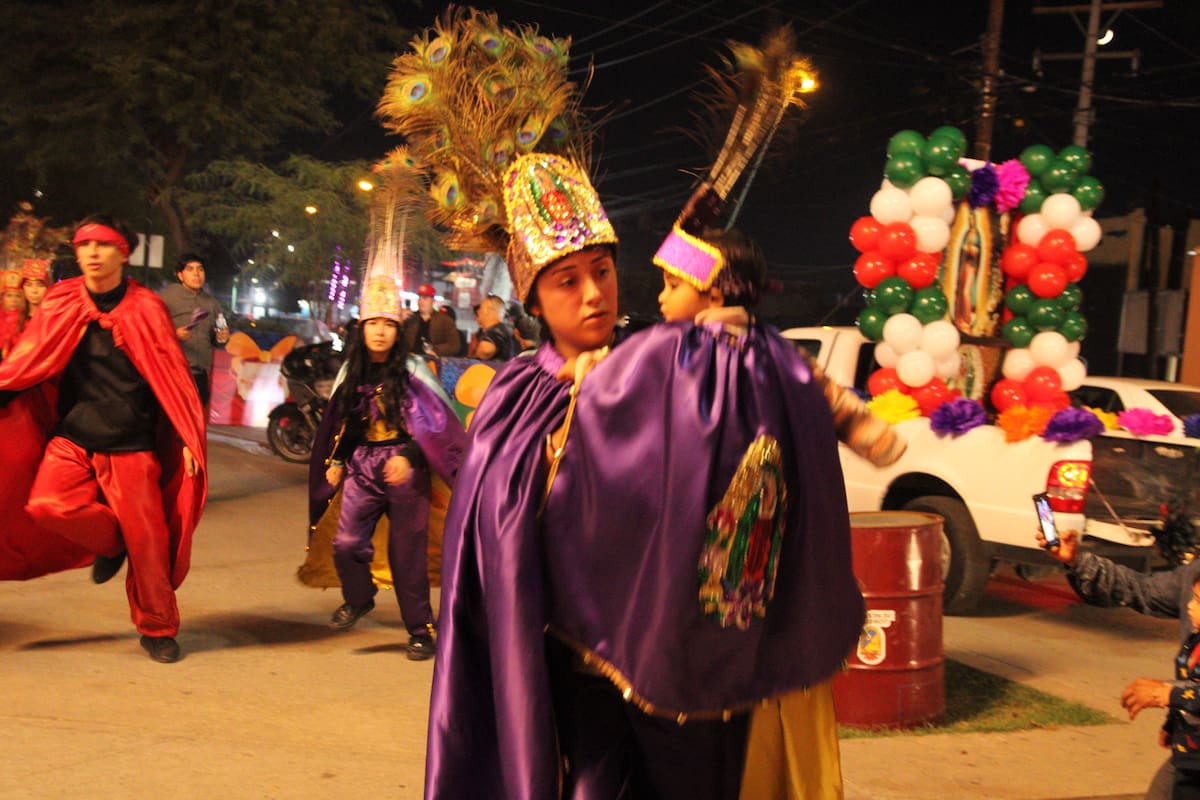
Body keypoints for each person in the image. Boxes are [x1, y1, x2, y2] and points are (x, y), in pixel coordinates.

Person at [0, 214, 207, 663]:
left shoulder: (146, 307)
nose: (91, 253)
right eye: (83, 245)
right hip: (73, 434)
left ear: (123, 253)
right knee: (46, 505)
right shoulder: (61, 301)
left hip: (131, 440)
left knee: (150, 545)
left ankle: (158, 628)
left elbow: (172, 380)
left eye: (102, 245)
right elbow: (27, 361)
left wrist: (187, 438)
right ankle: (112, 542)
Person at [317, 272, 467, 660]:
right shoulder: (352, 371)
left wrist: (409, 457)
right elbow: (346, 422)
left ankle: (420, 630)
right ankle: (360, 597)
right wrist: (336, 460)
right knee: (346, 543)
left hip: (406, 466)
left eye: (388, 324)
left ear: (398, 329)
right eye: (373, 324)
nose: (380, 332)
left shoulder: (414, 370)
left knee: (407, 554)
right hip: (363, 466)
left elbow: (437, 428)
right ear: (362, 328)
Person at [1041, 527, 1200, 799]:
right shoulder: (1194, 576)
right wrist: (1077, 561)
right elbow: (1143, 589)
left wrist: (1166, 693)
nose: (1191, 605)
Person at [159, 253, 229, 407]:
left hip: (200, 373)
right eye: (190, 269)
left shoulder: (211, 303)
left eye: (200, 269)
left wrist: (222, 337)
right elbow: (151, 330)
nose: (196, 274)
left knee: (195, 420)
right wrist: (174, 334)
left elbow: (217, 335)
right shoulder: (166, 298)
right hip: (173, 371)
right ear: (180, 275)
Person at [402, 283, 461, 357]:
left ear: (433, 301)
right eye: (419, 297)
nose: (421, 301)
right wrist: (400, 320)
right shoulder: (410, 318)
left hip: (433, 361)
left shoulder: (445, 320)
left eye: (425, 298)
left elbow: (454, 345)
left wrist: (435, 350)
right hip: (411, 359)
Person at [467, 295, 514, 361]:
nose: (478, 312)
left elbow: (486, 351)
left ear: (488, 311)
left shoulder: (497, 331)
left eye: (481, 308)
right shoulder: (498, 329)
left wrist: (476, 355)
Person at [0, 269, 26, 357]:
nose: (13, 300)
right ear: (2, 297)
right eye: (9, 295)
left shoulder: (24, 320)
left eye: (17, 296)